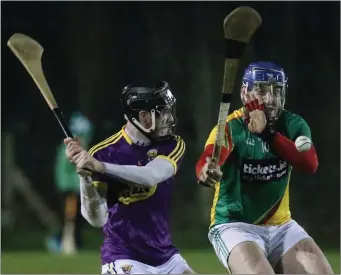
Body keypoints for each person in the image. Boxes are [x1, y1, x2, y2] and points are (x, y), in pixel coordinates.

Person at [196, 62, 333, 274]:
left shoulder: (293, 125)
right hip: (234, 226)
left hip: (282, 227)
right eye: (261, 91)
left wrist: (267, 134)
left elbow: (310, 164)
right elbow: (210, 157)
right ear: (245, 93)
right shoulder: (231, 127)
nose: (270, 99)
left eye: (277, 91)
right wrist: (207, 170)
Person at [64, 81, 194, 274]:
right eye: (163, 112)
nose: (169, 118)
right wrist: (85, 178)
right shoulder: (103, 152)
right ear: (143, 116)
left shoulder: (173, 144)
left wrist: (100, 167)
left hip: (166, 257)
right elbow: (97, 219)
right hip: (122, 257)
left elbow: (151, 176)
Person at [46, 111, 94, 255]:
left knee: (78, 219)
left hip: (78, 189)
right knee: (68, 218)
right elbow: (64, 172)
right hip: (68, 189)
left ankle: (75, 243)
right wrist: (74, 186)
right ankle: (61, 242)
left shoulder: (83, 149)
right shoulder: (68, 149)